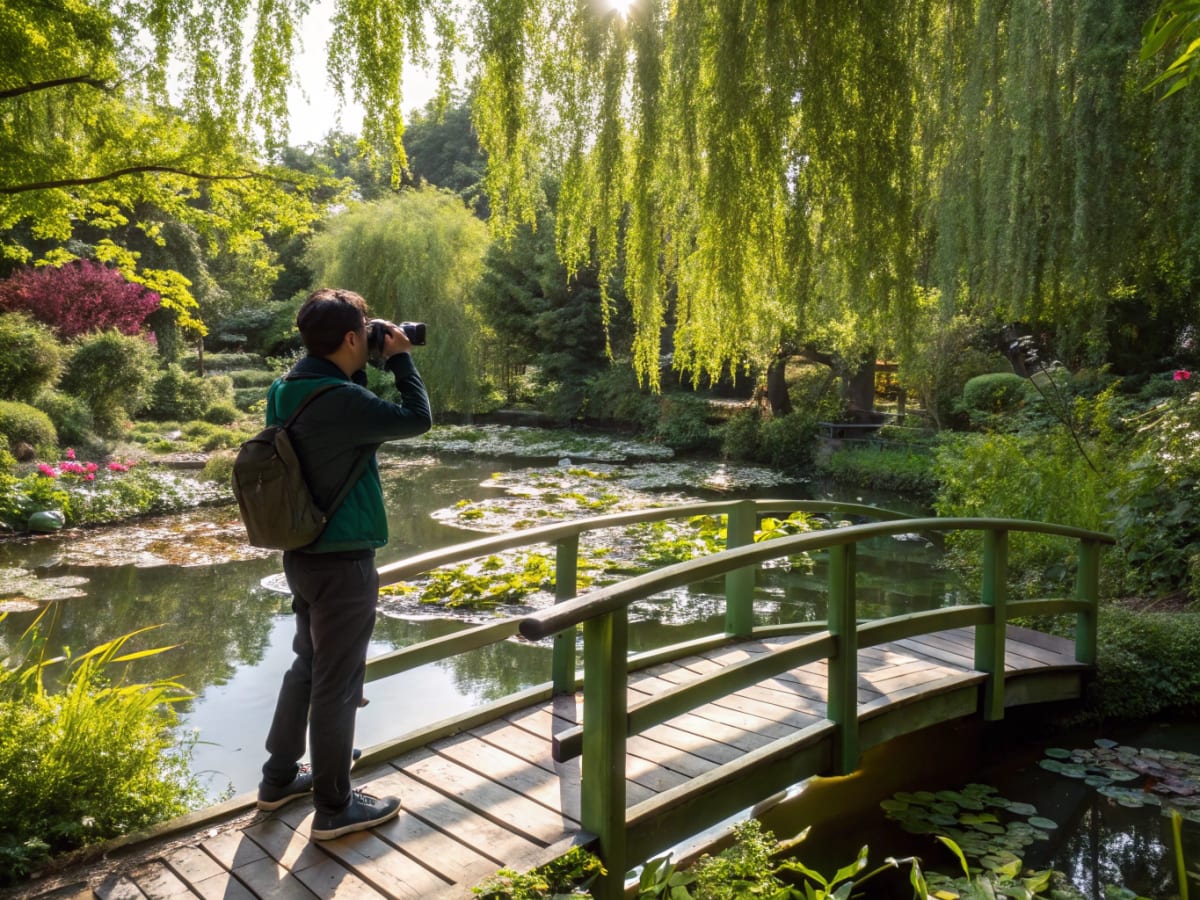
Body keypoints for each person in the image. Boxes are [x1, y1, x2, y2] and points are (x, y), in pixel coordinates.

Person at [255, 287, 432, 840]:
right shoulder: (341, 399)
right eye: (366, 334)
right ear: (352, 338)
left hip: (302, 553)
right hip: (344, 560)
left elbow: (340, 418)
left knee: (308, 667)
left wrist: (361, 360)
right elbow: (416, 419)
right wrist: (400, 359)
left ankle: (280, 777)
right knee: (337, 681)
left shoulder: (286, 389)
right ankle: (335, 807)